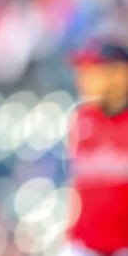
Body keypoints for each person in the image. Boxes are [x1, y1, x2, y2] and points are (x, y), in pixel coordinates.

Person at [61, 38, 128, 256]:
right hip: (85, 245)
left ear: (120, 75)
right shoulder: (81, 119)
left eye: (94, 72)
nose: (83, 80)